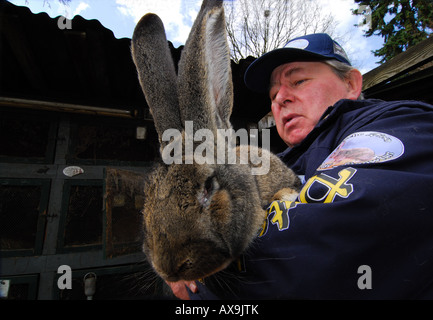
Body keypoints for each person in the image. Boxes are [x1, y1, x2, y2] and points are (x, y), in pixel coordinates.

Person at [170, 33, 433, 299]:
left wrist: (200, 270)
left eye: (298, 81)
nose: (279, 99)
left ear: (351, 83)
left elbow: (318, 254)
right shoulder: (272, 163)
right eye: (273, 94)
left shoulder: (403, 124)